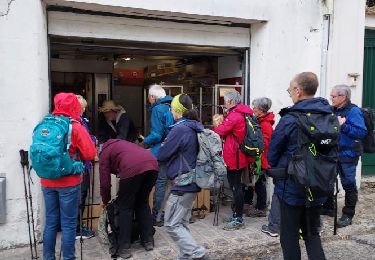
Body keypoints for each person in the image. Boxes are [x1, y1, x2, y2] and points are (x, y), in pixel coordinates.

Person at [269, 72, 328, 259]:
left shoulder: (291, 118)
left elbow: (273, 153)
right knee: (312, 235)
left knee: (289, 236)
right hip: (319, 184)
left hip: (292, 188)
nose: (290, 94)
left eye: (290, 90)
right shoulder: (328, 115)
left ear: (298, 90)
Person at [41, 93, 97, 260]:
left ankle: (48, 257)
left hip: (47, 180)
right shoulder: (75, 126)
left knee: (51, 222)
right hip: (69, 182)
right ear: (74, 106)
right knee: (68, 223)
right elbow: (90, 153)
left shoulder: (45, 124)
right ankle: (68, 258)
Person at [157, 94, 207, 260]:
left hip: (182, 183)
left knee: (171, 224)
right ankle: (185, 256)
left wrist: (164, 145)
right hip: (192, 181)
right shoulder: (194, 126)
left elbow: (163, 154)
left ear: (176, 110)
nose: (170, 111)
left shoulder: (180, 129)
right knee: (181, 223)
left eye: (171, 108)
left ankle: (198, 253)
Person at [99, 139, 158, 259]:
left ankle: (124, 247)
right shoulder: (124, 144)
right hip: (153, 166)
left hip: (132, 169)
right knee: (142, 203)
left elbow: (105, 183)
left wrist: (105, 200)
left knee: (125, 207)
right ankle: (148, 241)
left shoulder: (104, 152)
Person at [321, 85, 367, 227]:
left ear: (343, 97)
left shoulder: (353, 111)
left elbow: (361, 132)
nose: (331, 98)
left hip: (348, 154)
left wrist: (344, 125)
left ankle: (348, 214)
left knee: (348, 183)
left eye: (333, 96)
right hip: (332, 152)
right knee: (328, 180)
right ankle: (329, 207)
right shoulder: (332, 110)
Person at [213, 90, 254, 231]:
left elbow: (220, 131)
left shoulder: (235, 116)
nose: (224, 103)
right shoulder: (242, 113)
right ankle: (237, 215)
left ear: (230, 102)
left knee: (236, 187)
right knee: (237, 186)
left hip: (235, 157)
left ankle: (238, 218)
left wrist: (216, 124)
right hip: (239, 155)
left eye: (225, 101)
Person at [143, 84, 174, 226]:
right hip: (174, 150)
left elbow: (156, 134)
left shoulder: (157, 109)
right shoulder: (172, 106)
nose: (149, 100)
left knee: (161, 183)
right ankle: (176, 214)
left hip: (161, 151)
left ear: (152, 97)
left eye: (149, 97)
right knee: (174, 182)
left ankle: (157, 216)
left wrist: (144, 143)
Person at [245, 97, 275, 218]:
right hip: (257, 158)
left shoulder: (265, 124)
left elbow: (264, 143)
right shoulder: (258, 121)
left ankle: (261, 208)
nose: (253, 109)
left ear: (261, 110)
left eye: (255, 108)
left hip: (261, 159)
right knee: (255, 183)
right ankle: (253, 204)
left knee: (259, 183)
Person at [75, 95, 97, 239]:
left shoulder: (76, 122)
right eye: (81, 107)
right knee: (80, 197)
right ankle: (77, 229)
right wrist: (93, 140)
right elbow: (86, 141)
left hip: (81, 164)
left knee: (80, 197)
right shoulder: (78, 123)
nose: (83, 110)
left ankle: (76, 226)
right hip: (81, 164)